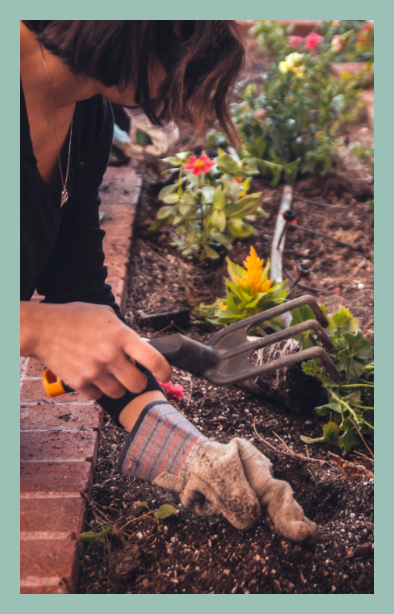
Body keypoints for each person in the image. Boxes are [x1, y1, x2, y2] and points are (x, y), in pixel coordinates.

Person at [20, 20, 316, 541]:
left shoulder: (86, 114)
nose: (181, 78)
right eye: (183, 44)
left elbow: (80, 293)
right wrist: (33, 327)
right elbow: (51, 320)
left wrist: (193, 452)